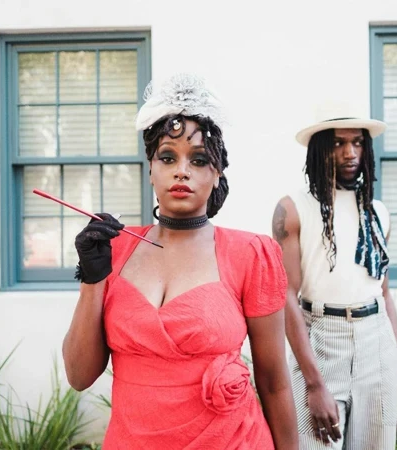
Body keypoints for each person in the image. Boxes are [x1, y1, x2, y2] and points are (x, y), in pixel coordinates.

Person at [61, 74, 298, 449]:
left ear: (217, 171)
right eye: (167, 157)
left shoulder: (250, 253)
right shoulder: (115, 249)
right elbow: (78, 375)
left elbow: (273, 381)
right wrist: (93, 279)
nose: (181, 171)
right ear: (151, 168)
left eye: (199, 159)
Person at [271, 104, 397, 449]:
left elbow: (384, 296)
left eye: (357, 143)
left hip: (376, 342)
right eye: (338, 143)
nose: (349, 152)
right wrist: (314, 383)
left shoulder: (378, 212)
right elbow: (286, 296)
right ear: (320, 149)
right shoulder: (292, 209)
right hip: (321, 340)